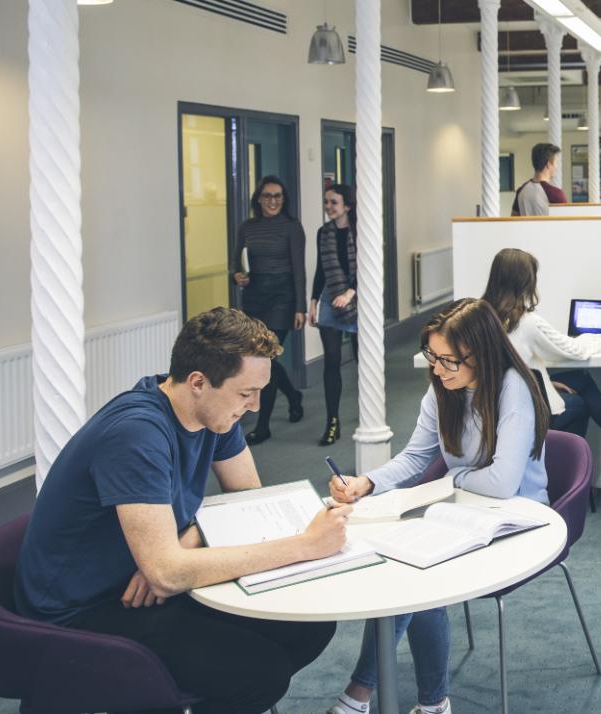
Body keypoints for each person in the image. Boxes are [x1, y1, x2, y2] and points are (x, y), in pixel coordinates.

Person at [14, 307, 347, 714]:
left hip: (141, 588)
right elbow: (167, 574)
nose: (257, 407)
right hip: (83, 611)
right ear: (198, 382)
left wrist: (189, 540)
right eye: (246, 393)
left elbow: (250, 503)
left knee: (307, 627)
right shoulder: (137, 434)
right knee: (259, 674)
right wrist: (307, 546)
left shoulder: (213, 417)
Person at [325, 298, 550, 714]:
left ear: (480, 354)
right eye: (433, 357)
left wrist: (452, 478)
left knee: (420, 578)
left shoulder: (512, 387)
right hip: (463, 509)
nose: (438, 369)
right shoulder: (443, 389)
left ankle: (361, 695)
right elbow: (416, 456)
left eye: (449, 361)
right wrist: (367, 482)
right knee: (412, 573)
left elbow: (503, 484)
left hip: (520, 517)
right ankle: (431, 703)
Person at [481, 248, 601, 468]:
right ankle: (576, 470)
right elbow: (575, 350)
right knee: (579, 404)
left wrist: (546, 383)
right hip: (527, 408)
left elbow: (502, 368)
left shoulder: (482, 316)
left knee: (580, 379)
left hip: (499, 403)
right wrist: (599, 337)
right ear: (524, 282)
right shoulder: (527, 322)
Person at [232, 175, 306, 445]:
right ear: (258, 199)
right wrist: (237, 276)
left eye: (277, 196)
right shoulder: (247, 227)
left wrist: (300, 307)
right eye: (267, 196)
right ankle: (293, 395)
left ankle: (263, 426)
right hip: (255, 298)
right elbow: (236, 263)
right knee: (264, 358)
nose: (272, 201)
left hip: (283, 297)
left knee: (267, 360)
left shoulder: (291, 227)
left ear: (283, 200)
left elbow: (299, 269)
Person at [312, 183, 359, 446]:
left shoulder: (361, 231)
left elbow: (369, 269)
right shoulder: (324, 233)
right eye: (327, 202)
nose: (329, 207)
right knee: (332, 361)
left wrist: (351, 293)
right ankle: (332, 422)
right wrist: (313, 301)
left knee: (364, 360)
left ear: (347, 206)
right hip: (332, 298)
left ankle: (369, 413)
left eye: (334, 203)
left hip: (360, 299)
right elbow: (321, 269)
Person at [512, 142, 567, 217]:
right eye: (556, 163)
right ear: (548, 164)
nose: (556, 166)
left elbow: (513, 220)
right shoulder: (556, 194)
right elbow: (565, 224)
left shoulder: (521, 191)